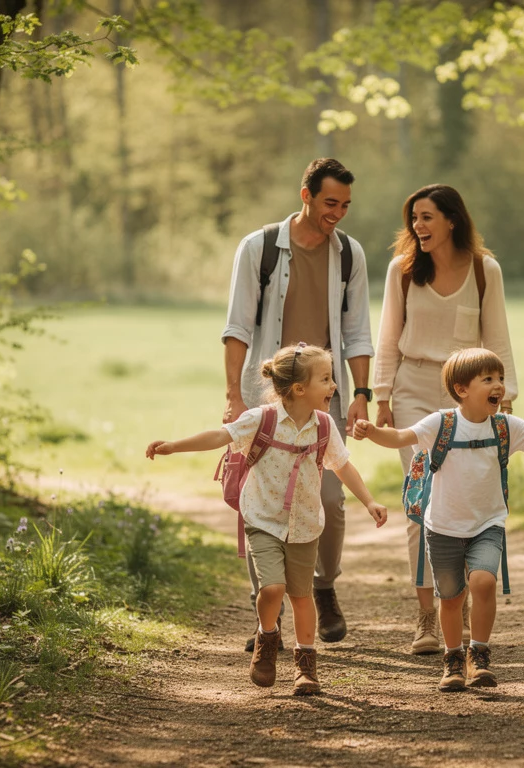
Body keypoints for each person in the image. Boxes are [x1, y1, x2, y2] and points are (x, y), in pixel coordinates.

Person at [353, 347, 524, 692]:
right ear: (462, 389)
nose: (498, 385)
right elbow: (400, 437)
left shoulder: (504, 427)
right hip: (442, 527)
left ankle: (479, 655)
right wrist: (371, 432)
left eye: (500, 378)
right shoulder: (440, 423)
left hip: (488, 524)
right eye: (488, 379)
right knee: (451, 599)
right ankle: (453, 660)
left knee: (483, 582)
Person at [148, 344, 388, 696]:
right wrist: (173, 445)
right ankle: (268, 635)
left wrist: (369, 501)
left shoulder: (323, 425)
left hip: (305, 524)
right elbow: (220, 435)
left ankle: (306, 665)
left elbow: (342, 465)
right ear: (299, 389)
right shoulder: (262, 419)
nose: (334, 386)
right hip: (262, 519)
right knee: (272, 589)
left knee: (302, 596)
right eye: (326, 379)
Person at [221, 158, 375, 650]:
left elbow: (357, 332)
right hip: (268, 397)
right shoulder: (260, 248)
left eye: (346, 205)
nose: (338, 214)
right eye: (331, 203)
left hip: (324, 394)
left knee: (328, 497)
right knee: (259, 500)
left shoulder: (349, 255)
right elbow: (238, 326)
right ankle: (266, 616)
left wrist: (362, 395)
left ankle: (323, 588)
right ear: (305, 194)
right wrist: (232, 396)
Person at [371, 184, 519, 655]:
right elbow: (387, 338)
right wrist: (380, 398)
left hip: (469, 392)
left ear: (452, 220)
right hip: (413, 389)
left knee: (469, 499)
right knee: (423, 503)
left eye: (428, 217)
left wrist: (504, 393)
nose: (418, 226)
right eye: (414, 217)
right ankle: (427, 616)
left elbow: (497, 335)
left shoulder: (483, 270)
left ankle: (461, 596)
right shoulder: (403, 271)